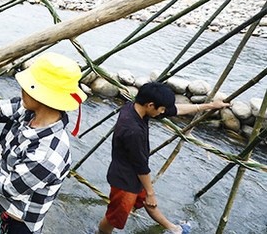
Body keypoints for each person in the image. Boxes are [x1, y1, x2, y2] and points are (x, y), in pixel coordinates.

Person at [0, 52, 87, 234]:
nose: (22, 89)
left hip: (18, 224)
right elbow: (8, 107)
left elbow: (10, 188)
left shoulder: (49, 154)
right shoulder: (31, 112)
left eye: (29, 87)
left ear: (43, 97)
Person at [96, 81, 230, 234]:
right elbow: (141, 167)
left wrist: (210, 106)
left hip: (130, 174)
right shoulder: (133, 130)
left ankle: (174, 229)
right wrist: (151, 192)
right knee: (114, 218)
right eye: (161, 109)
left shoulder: (134, 108)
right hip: (125, 181)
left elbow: (176, 110)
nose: (162, 113)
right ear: (150, 105)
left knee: (149, 204)